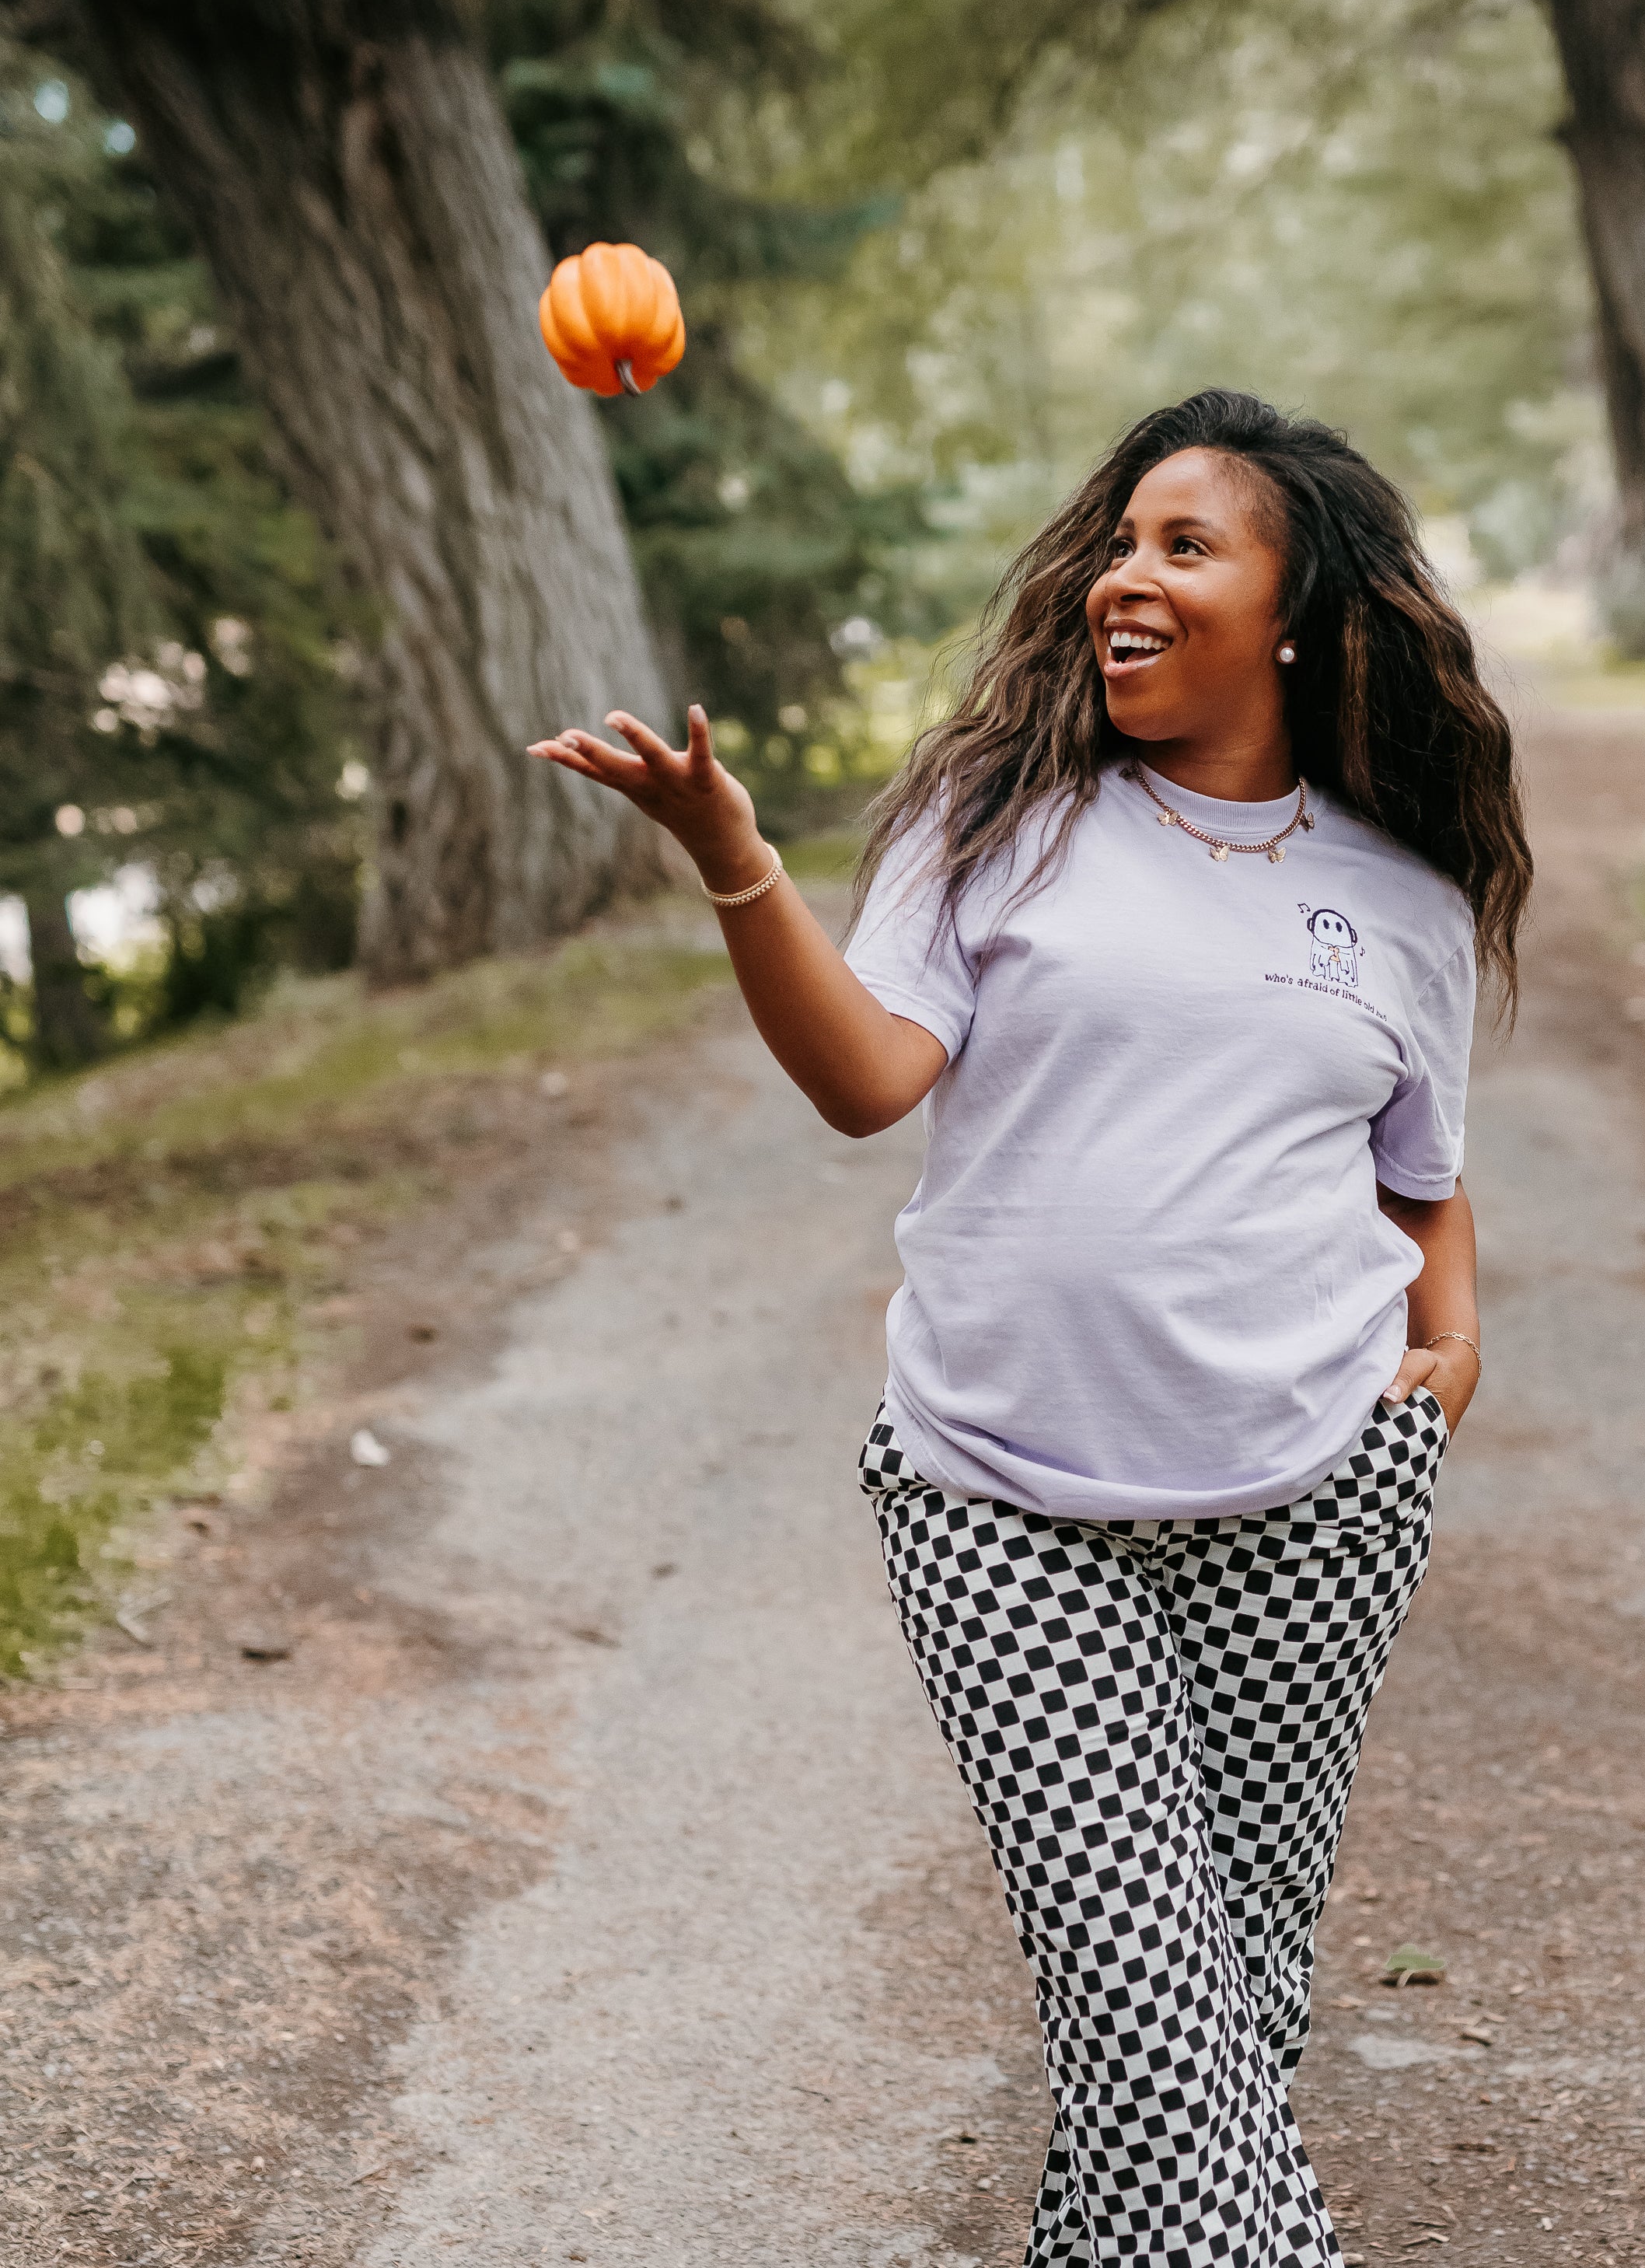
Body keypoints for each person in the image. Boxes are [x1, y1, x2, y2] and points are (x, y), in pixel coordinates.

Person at [529, 387, 1531, 2266]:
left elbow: (1423, 1171)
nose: (1118, 582)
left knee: (1214, 2019)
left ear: (1299, 610)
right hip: (1000, 1500)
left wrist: (1449, 1361)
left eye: (1183, 547)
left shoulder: (1399, 893)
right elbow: (865, 1081)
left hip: (1315, 1504)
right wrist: (737, 864)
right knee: (1158, 2013)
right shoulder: (997, 822)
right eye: (1117, 545)